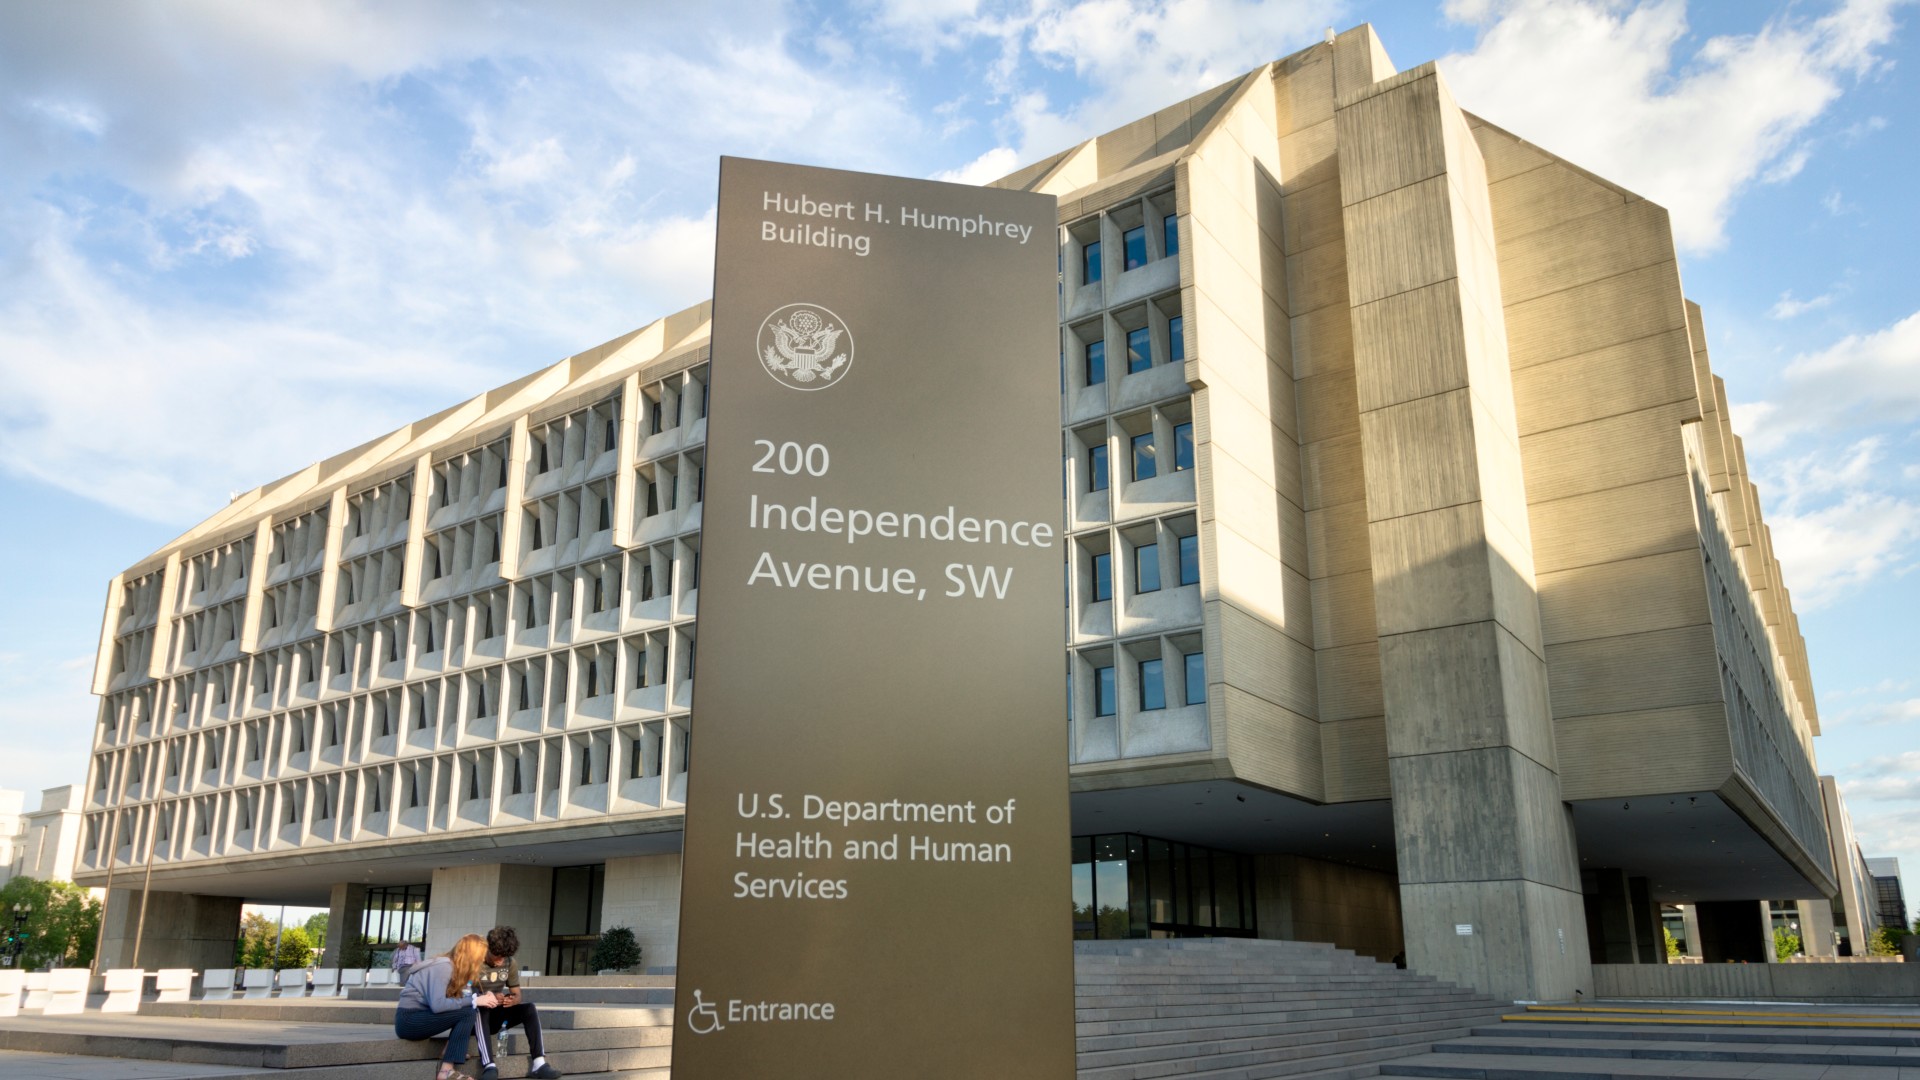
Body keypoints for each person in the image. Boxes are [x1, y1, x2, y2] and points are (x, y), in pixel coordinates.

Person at [394, 934, 499, 1080]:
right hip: (408, 1021)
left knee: (469, 1008)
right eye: (481, 956)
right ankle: (446, 1071)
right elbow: (438, 1005)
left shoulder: (453, 967)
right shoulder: (443, 966)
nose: (482, 960)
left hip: (420, 1016)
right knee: (468, 1012)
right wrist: (475, 1000)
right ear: (472, 955)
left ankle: (450, 1051)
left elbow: (457, 1000)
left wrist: (482, 997)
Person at [474, 925, 562, 1080]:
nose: (501, 962)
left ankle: (539, 1063)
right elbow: (462, 994)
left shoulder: (510, 962)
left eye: (504, 957)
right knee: (482, 1009)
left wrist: (511, 1000)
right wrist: (486, 998)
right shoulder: (474, 961)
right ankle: (489, 1065)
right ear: (488, 948)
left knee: (529, 1008)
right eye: (497, 957)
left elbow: (518, 995)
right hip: (472, 1017)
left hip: (495, 1016)